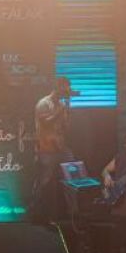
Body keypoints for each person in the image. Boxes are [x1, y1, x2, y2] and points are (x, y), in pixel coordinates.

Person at [33, 77, 74, 222]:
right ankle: (38, 213)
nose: (66, 91)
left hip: (61, 147)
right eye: (65, 88)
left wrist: (67, 110)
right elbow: (46, 122)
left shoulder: (62, 104)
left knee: (72, 175)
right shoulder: (43, 103)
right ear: (57, 88)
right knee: (45, 181)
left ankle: (72, 213)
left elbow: (66, 128)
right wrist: (60, 110)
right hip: (47, 148)